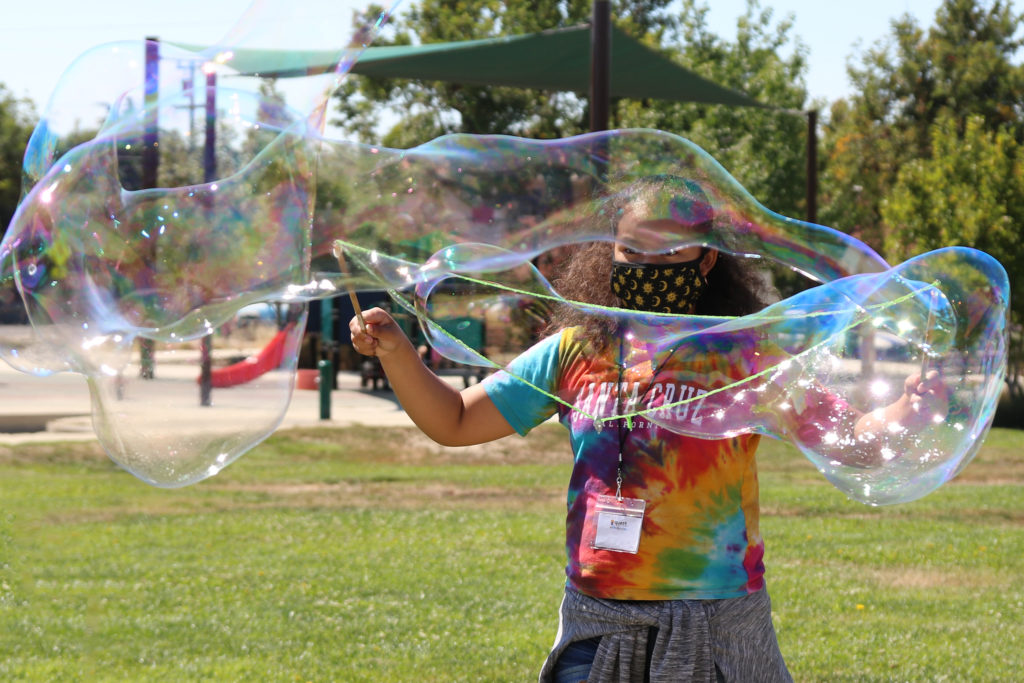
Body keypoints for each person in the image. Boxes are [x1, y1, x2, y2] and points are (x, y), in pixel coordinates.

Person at [348, 176, 948, 682]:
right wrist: (396, 349)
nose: (645, 268)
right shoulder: (575, 350)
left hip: (716, 627)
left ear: (706, 260)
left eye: (667, 255)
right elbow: (454, 422)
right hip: (598, 625)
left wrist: (909, 411)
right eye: (631, 254)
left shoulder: (746, 357)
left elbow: (857, 442)